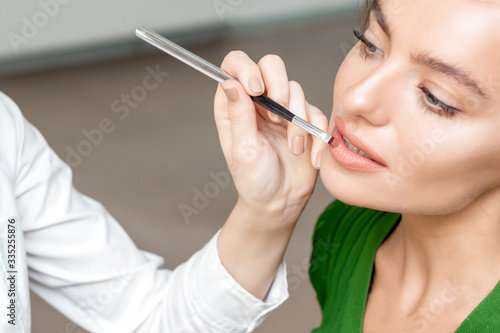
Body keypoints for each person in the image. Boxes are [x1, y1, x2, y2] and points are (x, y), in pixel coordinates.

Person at [214, 0, 500, 332]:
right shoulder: (345, 232)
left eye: (435, 98)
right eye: (371, 45)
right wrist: (268, 211)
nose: (357, 98)